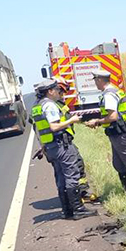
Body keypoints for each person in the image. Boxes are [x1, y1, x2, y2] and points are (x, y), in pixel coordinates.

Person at [30, 79, 97, 220]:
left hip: (50, 147)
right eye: (56, 89)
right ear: (50, 91)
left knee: (60, 179)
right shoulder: (50, 105)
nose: (58, 92)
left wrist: (43, 147)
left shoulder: (37, 106)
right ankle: (78, 209)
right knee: (71, 176)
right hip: (61, 145)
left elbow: (39, 129)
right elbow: (54, 127)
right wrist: (71, 121)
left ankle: (67, 211)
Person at [85, 71, 126, 192]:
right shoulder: (113, 91)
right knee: (118, 163)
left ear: (99, 80)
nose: (95, 83)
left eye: (95, 80)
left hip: (119, 131)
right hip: (116, 132)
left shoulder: (109, 94)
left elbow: (113, 117)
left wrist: (97, 121)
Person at [53, 76, 95, 202]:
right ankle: (79, 196)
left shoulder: (57, 104)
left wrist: (84, 122)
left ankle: (75, 196)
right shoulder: (52, 106)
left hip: (62, 142)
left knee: (69, 169)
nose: (63, 95)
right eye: (62, 92)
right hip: (61, 142)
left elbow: (66, 119)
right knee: (74, 167)